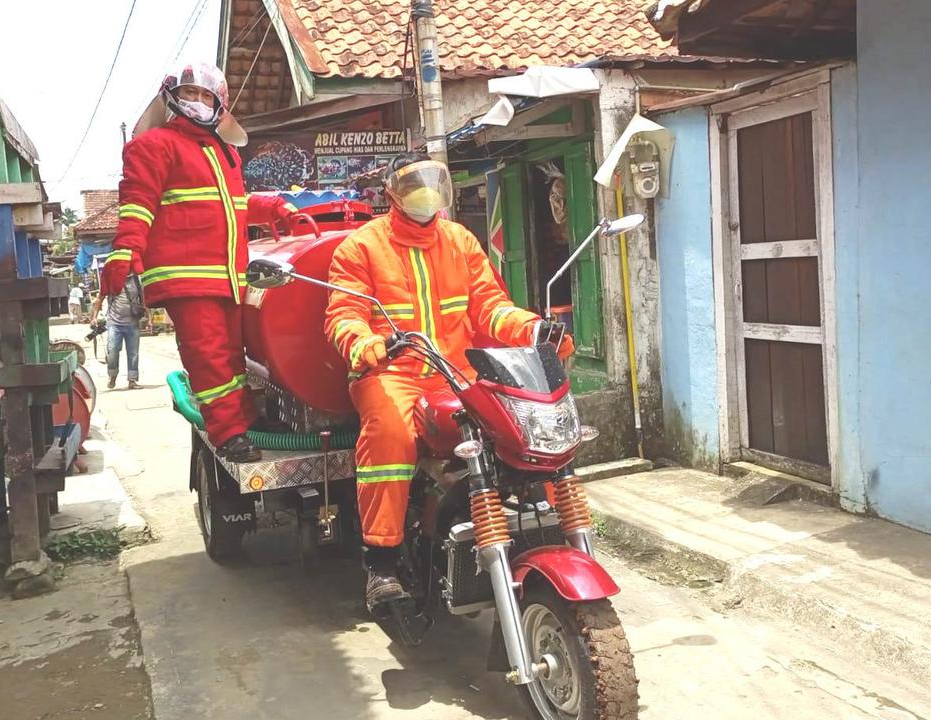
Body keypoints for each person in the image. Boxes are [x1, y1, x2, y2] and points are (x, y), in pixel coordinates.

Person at [324, 153, 575, 610]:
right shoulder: (360, 247)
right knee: (391, 436)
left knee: (525, 422)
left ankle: (563, 525)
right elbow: (344, 314)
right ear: (392, 193)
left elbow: (490, 307)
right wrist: (363, 344)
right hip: (391, 373)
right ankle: (381, 561)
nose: (425, 192)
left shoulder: (459, 240)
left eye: (432, 182)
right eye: (414, 183)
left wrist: (535, 329)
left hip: (455, 374)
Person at [101, 61, 300, 461]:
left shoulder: (223, 152)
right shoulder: (152, 146)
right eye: (189, 93)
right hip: (185, 276)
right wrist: (125, 251)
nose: (197, 101)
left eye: (205, 95)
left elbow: (233, 207)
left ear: (219, 103)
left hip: (226, 276)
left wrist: (273, 206)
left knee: (232, 355)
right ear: (171, 99)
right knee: (208, 356)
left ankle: (242, 420)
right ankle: (227, 433)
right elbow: (137, 205)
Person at [89, 272, 142, 390]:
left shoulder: (136, 280)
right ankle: (112, 375)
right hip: (114, 323)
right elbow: (99, 299)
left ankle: (132, 380)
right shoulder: (111, 280)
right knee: (112, 351)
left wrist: (149, 318)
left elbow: (143, 299)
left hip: (132, 323)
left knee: (133, 353)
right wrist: (94, 318)